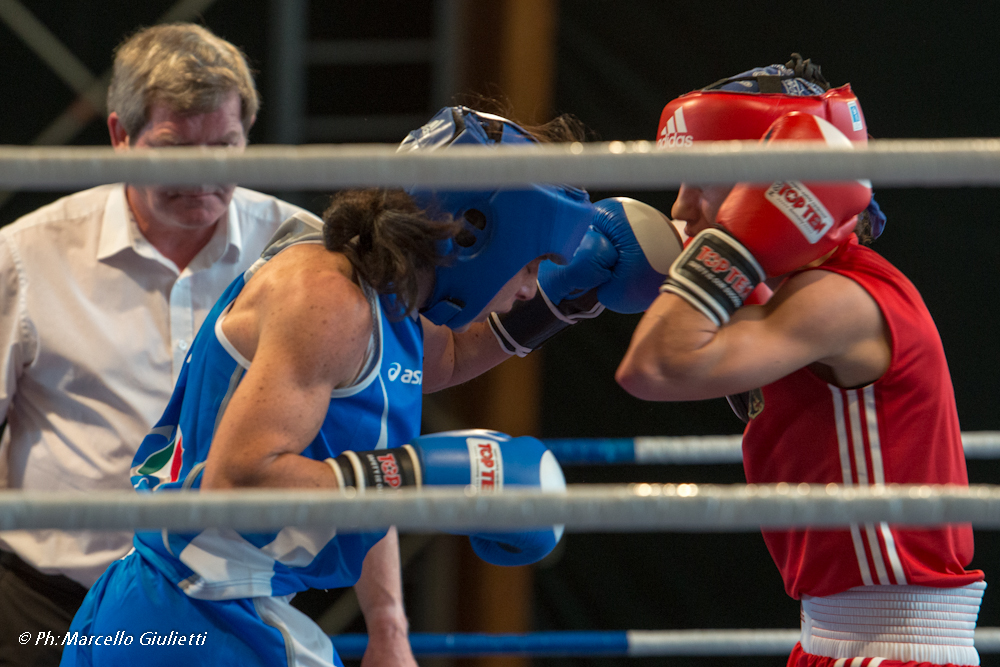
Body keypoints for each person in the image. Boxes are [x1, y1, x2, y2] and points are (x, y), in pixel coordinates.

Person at [59, 105, 675, 667]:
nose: (525, 288)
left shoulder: (388, 295)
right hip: (183, 621)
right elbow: (238, 482)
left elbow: (444, 361)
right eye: (531, 267)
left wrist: (559, 304)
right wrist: (422, 476)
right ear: (472, 235)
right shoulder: (327, 300)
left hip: (227, 607)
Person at [616, 55, 986, 667]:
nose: (680, 209)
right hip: (830, 636)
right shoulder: (787, 297)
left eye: (697, 179)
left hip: (893, 644)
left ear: (771, 184)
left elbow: (654, 367)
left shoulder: (840, 300)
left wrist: (730, 245)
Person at [0, 23, 308, 666]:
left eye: (223, 146)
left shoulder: (302, 252)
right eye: (176, 149)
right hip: (47, 613)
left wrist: (389, 625)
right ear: (120, 137)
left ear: (246, 136)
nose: (201, 175)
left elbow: (366, 432)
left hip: (232, 612)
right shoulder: (25, 256)